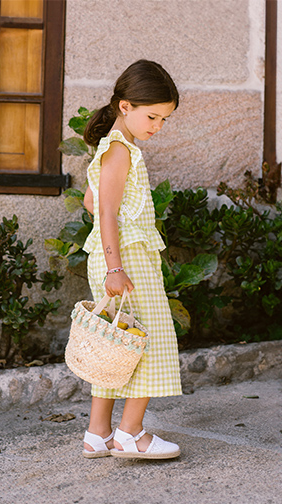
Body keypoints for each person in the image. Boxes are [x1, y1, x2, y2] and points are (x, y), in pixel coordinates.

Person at [79, 59, 183, 460]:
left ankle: (98, 434)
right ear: (125, 106)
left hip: (118, 256)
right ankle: (131, 433)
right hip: (126, 261)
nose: (157, 125)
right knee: (149, 342)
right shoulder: (120, 149)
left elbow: (92, 200)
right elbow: (104, 211)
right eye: (152, 116)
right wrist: (116, 265)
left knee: (115, 346)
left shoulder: (115, 147)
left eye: (164, 118)